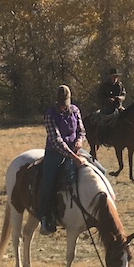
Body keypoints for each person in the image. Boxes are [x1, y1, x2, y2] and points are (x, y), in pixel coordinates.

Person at [37, 84, 87, 235]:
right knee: (47, 183)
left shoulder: (75, 110)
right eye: (61, 104)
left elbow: (81, 130)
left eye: (65, 104)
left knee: (98, 169)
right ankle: (45, 218)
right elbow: (56, 141)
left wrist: (79, 141)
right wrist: (73, 156)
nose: (63, 107)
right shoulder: (50, 115)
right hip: (56, 153)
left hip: (75, 149)